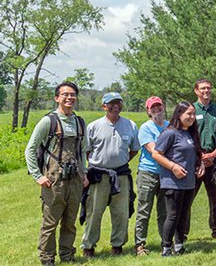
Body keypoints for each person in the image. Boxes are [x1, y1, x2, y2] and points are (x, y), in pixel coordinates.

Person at [24, 81, 89, 266]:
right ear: (57, 98)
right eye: (65, 95)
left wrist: (84, 174)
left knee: (70, 220)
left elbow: (83, 151)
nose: (69, 98)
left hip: (75, 178)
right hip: (53, 179)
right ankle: (47, 258)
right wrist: (38, 176)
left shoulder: (80, 122)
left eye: (72, 95)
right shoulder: (48, 121)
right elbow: (30, 149)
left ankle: (67, 255)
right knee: (50, 222)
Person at [80, 92, 139, 256]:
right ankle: (89, 246)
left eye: (118, 103)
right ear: (104, 106)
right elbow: (86, 150)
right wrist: (97, 163)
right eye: (111, 103)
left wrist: (121, 160)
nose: (116, 106)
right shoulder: (93, 126)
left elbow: (134, 149)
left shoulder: (130, 125)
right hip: (98, 176)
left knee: (121, 212)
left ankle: (117, 245)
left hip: (120, 175)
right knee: (94, 212)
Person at [151, 101, 204, 256]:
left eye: (193, 114)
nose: (192, 117)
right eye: (188, 114)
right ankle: (166, 247)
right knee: (173, 215)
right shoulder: (170, 133)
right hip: (172, 182)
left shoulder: (191, 133)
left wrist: (200, 165)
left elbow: (196, 153)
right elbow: (156, 154)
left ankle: (179, 246)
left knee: (184, 214)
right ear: (179, 114)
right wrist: (173, 167)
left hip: (189, 182)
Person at [191, 78, 216, 240]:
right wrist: (199, 156)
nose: (206, 91)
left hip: (215, 161)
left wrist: (214, 154)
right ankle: (182, 231)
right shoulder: (191, 110)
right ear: (196, 91)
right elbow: (185, 134)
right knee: (188, 197)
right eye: (203, 88)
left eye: (209, 88)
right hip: (194, 160)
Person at [134, 97, 168, 257]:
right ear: (148, 111)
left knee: (165, 211)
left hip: (166, 175)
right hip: (148, 172)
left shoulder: (170, 126)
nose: (156, 110)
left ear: (164, 107)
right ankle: (140, 244)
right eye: (152, 107)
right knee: (144, 210)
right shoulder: (146, 128)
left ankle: (166, 242)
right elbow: (155, 151)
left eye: (158, 106)